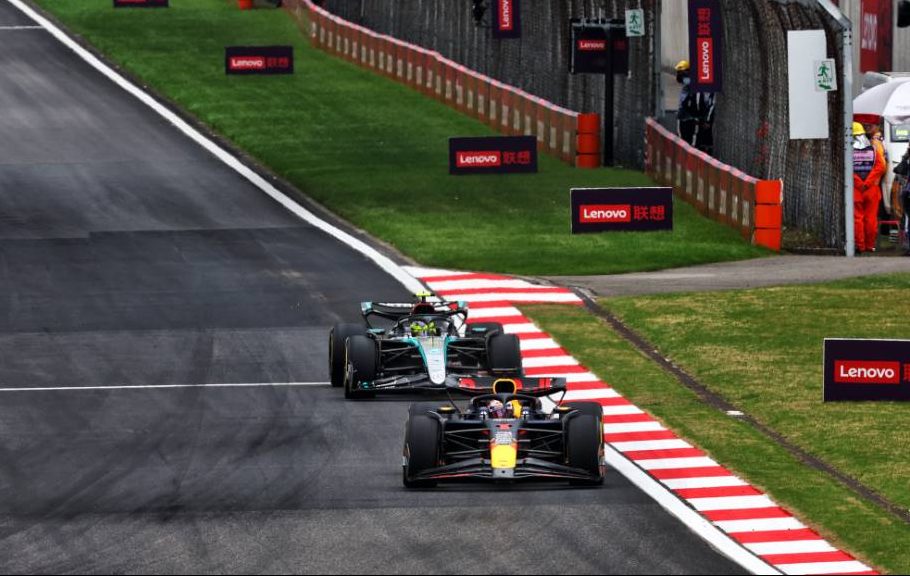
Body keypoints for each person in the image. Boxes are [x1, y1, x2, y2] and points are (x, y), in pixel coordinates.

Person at [852, 122, 887, 253]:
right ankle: (869, 246)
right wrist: (868, 182)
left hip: (856, 190)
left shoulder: (849, 152)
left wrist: (859, 182)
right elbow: (881, 167)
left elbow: (848, 170)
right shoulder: (873, 150)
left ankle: (860, 246)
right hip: (871, 189)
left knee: (857, 218)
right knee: (871, 219)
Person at [675, 60, 698, 146]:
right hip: (684, 116)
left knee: (687, 140)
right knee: (683, 139)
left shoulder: (693, 86)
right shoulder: (685, 87)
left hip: (689, 116)